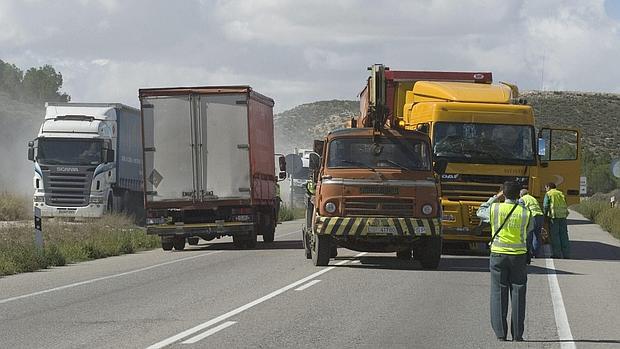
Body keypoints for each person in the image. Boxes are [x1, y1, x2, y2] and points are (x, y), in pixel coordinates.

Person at [477, 181, 533, 342]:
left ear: (504, 193)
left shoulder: (495, 209)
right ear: (519, 194)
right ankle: (517, 334)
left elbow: (480, 211)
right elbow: (529, 230)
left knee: (498, 292)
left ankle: (501, 333)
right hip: (519, 256)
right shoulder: (525, 212)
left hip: (498, 255)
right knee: (518, 293)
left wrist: (495, 197)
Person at [543, 182, 570, 258]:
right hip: (563, 216)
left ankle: (557, 254)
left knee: (555, 236)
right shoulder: (561, 193)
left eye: (545, 188)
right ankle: (566, 254)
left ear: (548, 187)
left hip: (554, 217)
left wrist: (544, 217)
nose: (545, 190)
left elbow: (545, 206)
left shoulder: (549, 194)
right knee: (564, 235)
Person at [519, 189, 544, 258]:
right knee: (537, 235)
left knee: (529, 235)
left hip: (532, 217)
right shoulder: (533, 198)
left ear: (521, 194)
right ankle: (536, 253)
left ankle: (528, 253)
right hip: (540, 216)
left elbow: (520, 210)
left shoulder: (522, 199)